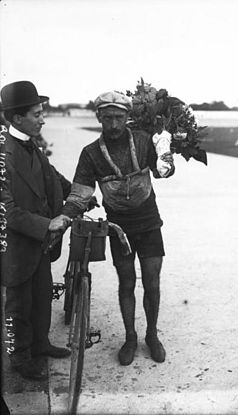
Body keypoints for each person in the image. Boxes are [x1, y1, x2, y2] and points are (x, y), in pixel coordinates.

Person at [62, 91, 175, 366]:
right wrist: (64, 217)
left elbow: (162, 172)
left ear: (128, 117)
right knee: (126, 282)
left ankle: (151, 335)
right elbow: (79, 194)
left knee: (152, 281)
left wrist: (166, 156)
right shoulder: (90, 154)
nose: (113, 124)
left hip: (149, 222)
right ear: (99, 117)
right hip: (118, 227)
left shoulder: (143, 141)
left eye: (119, 117)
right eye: (108, 118)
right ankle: (130, 337)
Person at [0, 81, 72, 380]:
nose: (43, 118)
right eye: (37, 113)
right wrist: (48, 224)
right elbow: (7, 210)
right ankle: (19, 360)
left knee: (42, 296)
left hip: (39, 243)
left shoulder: (33, 144)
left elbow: (51, 176)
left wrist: (79, 192)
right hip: (16, 247)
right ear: (17, 118)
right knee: (18, 306)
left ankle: (41, 345)